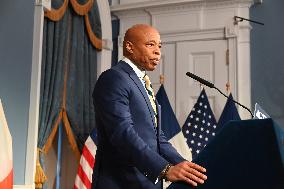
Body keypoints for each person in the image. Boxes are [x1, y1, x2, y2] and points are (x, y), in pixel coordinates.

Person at [92, 24, 207, 189]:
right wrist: (165, 169)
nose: (157, 51)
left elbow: (157, 139)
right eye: (150, 44)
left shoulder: (143, 83)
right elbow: (122, 133)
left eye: (159, 46)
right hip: (122, 182)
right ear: (129, 47)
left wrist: (188, 167)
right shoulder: (114, 78)